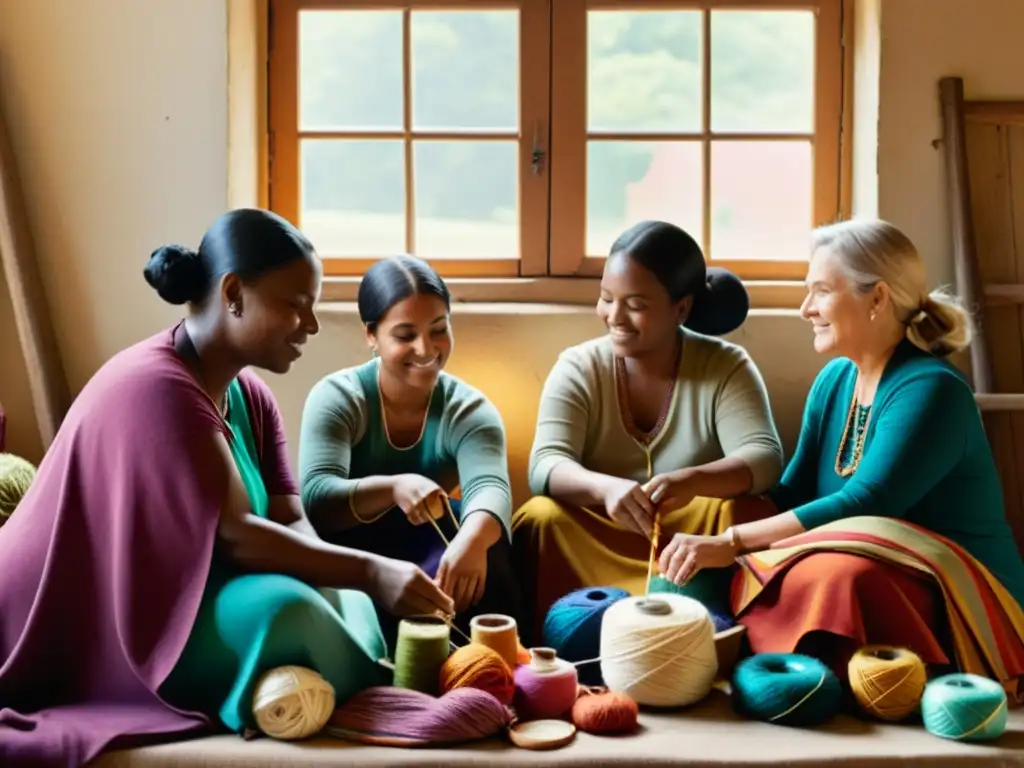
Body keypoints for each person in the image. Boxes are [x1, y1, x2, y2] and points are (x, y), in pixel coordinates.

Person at [0, 209, 454, 768]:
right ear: (234, 293)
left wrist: (347, 581)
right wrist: (369, 569)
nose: (310, 326)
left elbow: (290, 518)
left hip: (196, 588)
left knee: (343, 598)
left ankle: (339, 674)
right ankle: (356, 679)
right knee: (292, 611)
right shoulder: (159, 389)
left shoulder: (247, 393)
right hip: (114, 614)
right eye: (296, 305)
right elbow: (238, 537)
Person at [660, 218, 1024, 695]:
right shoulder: (836, 379)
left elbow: (864, 503)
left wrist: (732, 542)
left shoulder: (932, 391)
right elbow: (788, 495)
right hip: (864, 561)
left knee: (840, 574)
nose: (805, 309)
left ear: (877, 299)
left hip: (961, 588)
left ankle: (798, 674)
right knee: (717, 530)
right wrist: (699, 499)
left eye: (821, 291)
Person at [512, 220, 784, 641]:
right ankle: (569, 636)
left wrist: (694, 480)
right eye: (606, 299)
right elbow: (545, 465)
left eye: (635, 304)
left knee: (747, 511)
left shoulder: (726, 366)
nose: (614, 317)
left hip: (690, 544)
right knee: (540, 518)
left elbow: (764, 459)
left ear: (681, 309)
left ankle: (713, 634)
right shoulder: (578, 366)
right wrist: (605, 490)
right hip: (598, 532)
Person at [298, 255, 520, 647]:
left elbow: (490, 487)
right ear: (372, 335)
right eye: (404, 335)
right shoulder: (338, 398)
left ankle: (485, 662)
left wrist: (471, 540)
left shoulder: (468, 409)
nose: (425, 348)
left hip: (426, 550)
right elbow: (316, 499)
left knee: (486, 537)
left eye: (439, 329)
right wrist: (394, 488)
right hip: (351, 553)